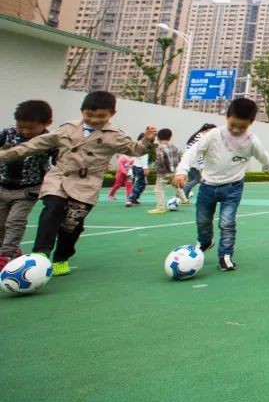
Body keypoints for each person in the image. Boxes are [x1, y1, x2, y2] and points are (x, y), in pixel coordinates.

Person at [0, 91, 155, 276]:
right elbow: (34, 144)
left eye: (101, 116)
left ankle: (61, 258)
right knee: (52, 209)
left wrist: (147, 139)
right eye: (89, 115)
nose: (94, 120)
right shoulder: (68, 128)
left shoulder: (115, 136)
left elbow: (135, 150)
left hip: (86, 183)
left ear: (112, 114)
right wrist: (3, 156)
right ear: (82, 111)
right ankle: (40, 255)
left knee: (71, 224)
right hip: (60, 176)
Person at [173, 99, 269, 272]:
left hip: (232, 188)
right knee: (203, 220)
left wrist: (267, 166)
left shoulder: (252, 141)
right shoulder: (213, 135)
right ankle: (205, 242)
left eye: (242, 127)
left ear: (251, 123)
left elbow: (264, 156)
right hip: (207, 186)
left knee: (227, 223)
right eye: (232, 124)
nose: (236, 130)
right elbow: (193, 151)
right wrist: (182, 171)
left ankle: (225, 256)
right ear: (227, 117)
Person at [0, 100, 56, 270]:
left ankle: (6, 255)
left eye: (30, 128)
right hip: (2, 186)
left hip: (28, 190)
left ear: (47, 123)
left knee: (15, 222)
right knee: (0, 223)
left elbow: (61, 160)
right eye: (20, 126)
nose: (24, 131)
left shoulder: (49, 140)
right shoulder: (7, 133)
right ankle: (13, 251)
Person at [149, 128, 182, 214]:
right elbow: (179, 158)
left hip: (164, 172)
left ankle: (160, 207)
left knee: (158, 189)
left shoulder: (159, 148)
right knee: (176, 185)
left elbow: (160, 161)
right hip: (174, 171)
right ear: (170, 137)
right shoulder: (175, 147)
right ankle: (184, 199)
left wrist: (160, 173)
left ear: (158, 138)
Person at [180, 123, 215, 202]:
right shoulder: (202, 137)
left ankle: (185, 197)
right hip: (193, 160)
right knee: (197, 179)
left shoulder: (197, 135)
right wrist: (201, 165)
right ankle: (182, 195)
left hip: (189, 159)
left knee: (192, 179)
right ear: (208, 130)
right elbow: (199, 152)